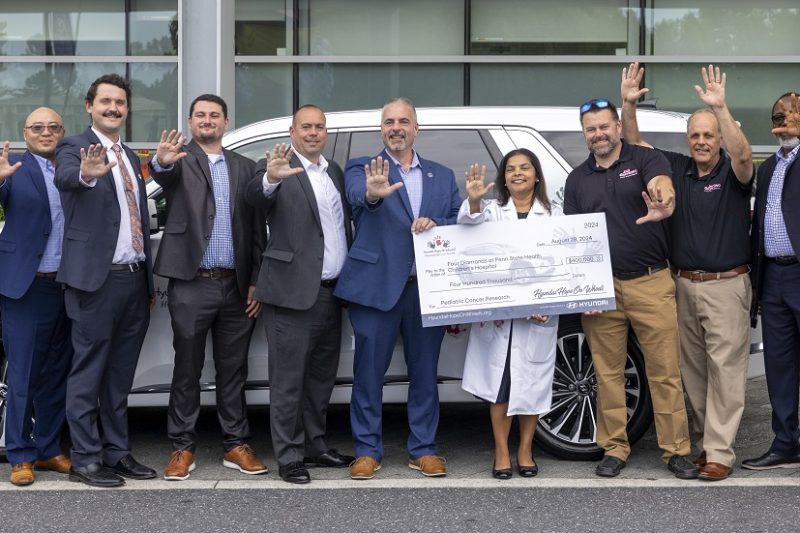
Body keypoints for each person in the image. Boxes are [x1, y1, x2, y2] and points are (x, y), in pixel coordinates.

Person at [620, 64, 754, 481]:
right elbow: (633, 141)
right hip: (681, 284)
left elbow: (745, 155)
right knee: (692, 372)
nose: (700, 142)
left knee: (726, 372)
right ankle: (706, 443)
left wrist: (720, 107)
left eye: (708, 135)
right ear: (687, 140)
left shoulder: (733, 174)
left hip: (726, 286)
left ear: (719, 140)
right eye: (695, 135)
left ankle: (719, 452)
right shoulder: (675, 168)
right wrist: (627, 103)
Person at [563, 98, 697, 479]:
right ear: (585, 133)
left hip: (651, 282)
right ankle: (615, 448)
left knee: (665, 372)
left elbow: (663, 186)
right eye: (591, 128)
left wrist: (664, 202)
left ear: (618, 127)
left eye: (604, 126)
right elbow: (573, 241)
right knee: (607, 374)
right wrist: (583, 290)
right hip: (601, 289)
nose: (598, 134)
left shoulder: (645, 160)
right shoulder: (577, 180)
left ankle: (676, 451)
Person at [334, 97, 461, 480]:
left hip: (427, 290)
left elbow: (458, 221)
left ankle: (423, 449)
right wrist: (374, 193)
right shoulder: (362, 168)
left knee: (425, 373)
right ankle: (367, 450)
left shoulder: (442, 174)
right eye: (389, 121)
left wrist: (436, 223)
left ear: (416, 128)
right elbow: (360, 198)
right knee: (368, 374)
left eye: (403, 121)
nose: (396, 127)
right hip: (376, 289)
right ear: (381, 129)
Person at [149, 94, 267, 481]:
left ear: (226, 122)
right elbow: (162, 175)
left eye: (214, 115)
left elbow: (255, 232)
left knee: (234, 369)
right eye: (200, 115)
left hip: (235, 286)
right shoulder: (179, 161)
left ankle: (235, 443)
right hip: (191, 283)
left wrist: (255, 282)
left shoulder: (247, 168)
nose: (207, 120)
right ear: (190, 120)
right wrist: (160, 162)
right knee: (187, 368)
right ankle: (182, 446)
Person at [54, 73, 157, 487]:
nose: (113, 108)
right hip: (94, 283)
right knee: (87, 373)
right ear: (89, 106)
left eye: (120, 102)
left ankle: (117, 452)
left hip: (133, 281)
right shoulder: (74, 147)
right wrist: (87, 173)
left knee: (119, 376)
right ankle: (85, 459)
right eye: (106, 102)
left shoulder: (131, 157)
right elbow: (66, 178)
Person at [244, 104, 355, 484]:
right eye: (305, 127)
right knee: (288, 379)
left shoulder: (333, 171)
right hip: (292, 292)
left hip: (331, 292)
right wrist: (271, 180)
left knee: (320, 378)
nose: (313, 133)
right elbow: (254, 197)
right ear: (292, 131)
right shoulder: (277, 165)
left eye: (319, 127)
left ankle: (315, 445)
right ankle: (289, 455)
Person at [457, 150, 560, 479]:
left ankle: (525, 450)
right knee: (501, 386)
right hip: (500, 318)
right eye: (511, 170)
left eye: (524, 168)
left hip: (538, 317)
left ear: (536, 175)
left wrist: (548, 303)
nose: (518, 174)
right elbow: (467, 226)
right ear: (503, 178)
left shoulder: (555, 214)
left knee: (531, 385)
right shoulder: (490, 211)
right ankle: (502, 452)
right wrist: (473, 201)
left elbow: (565, 267)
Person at [0, 108, 73, 486]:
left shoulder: (71, 168)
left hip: (68, 287)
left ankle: (47, 449)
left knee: (58, 373)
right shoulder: (11, 167)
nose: (46, 132)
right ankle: (20, 454)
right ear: (25, 132)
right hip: (26, 287)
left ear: (63, 132)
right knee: (24, 375)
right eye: (37, 127)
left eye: (53, 127)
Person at [744, 91, 800, 471]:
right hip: (773, 277)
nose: (783, 120)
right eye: (777, 115)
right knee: (779, 367)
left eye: (792, 113)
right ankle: (785, 444)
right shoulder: (766, 168)